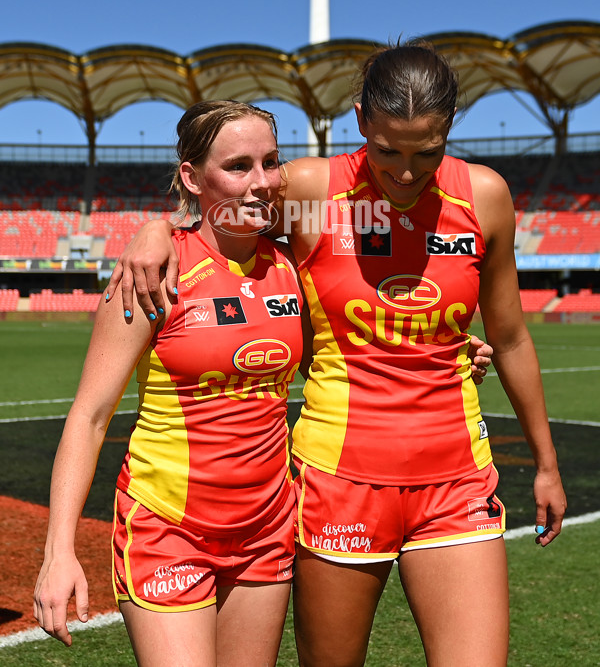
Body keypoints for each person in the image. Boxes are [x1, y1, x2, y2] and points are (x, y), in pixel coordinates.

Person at [105, 40, 562, 667]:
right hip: (338, 479)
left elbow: (509, 336)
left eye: (427, 152)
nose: (405, 171)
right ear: (359, 122)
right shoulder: (308, 188)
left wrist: (545, 463)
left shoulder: (484, 196)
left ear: (450, 130)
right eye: (387, 150)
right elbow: (221, 206)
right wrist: (155, 228)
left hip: (457, 475)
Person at [34, 100, 314, 667]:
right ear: (191, 176)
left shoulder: (293, 266)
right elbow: (89, 418)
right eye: (238, 166)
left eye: (271, 162)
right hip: (169, 526)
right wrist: (58, 551)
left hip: (266, 530)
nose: (261, 182)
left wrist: (456, 353)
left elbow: (340, 362)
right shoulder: (153, 274)